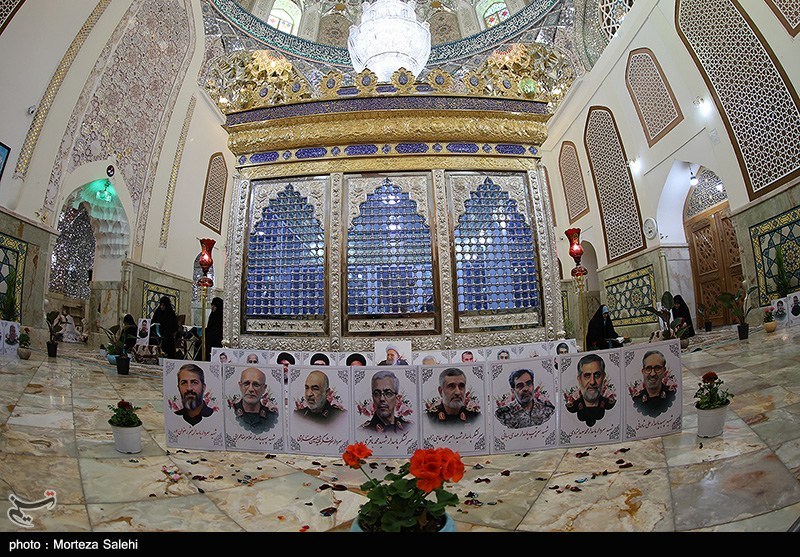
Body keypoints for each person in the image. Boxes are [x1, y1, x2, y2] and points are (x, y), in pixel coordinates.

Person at [565, 353, 615, 427]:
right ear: (579, 379)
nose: (592, 382)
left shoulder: (610, 403)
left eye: (597, 375)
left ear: (603, 377)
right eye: (587, 376)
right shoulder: (573, 406)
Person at [631, 350, 675, 417]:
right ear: (643, 372)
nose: (653, 374)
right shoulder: (636, 399)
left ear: (664, 371)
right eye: (648, 369)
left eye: (657, 368)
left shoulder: (672, 395)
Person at [232, 367, 277, 433]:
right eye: (246, 383)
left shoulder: (271, 417)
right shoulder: (231, 412)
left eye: (256, 385)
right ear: (240, 386)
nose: (251, 389)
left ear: (264, 388)